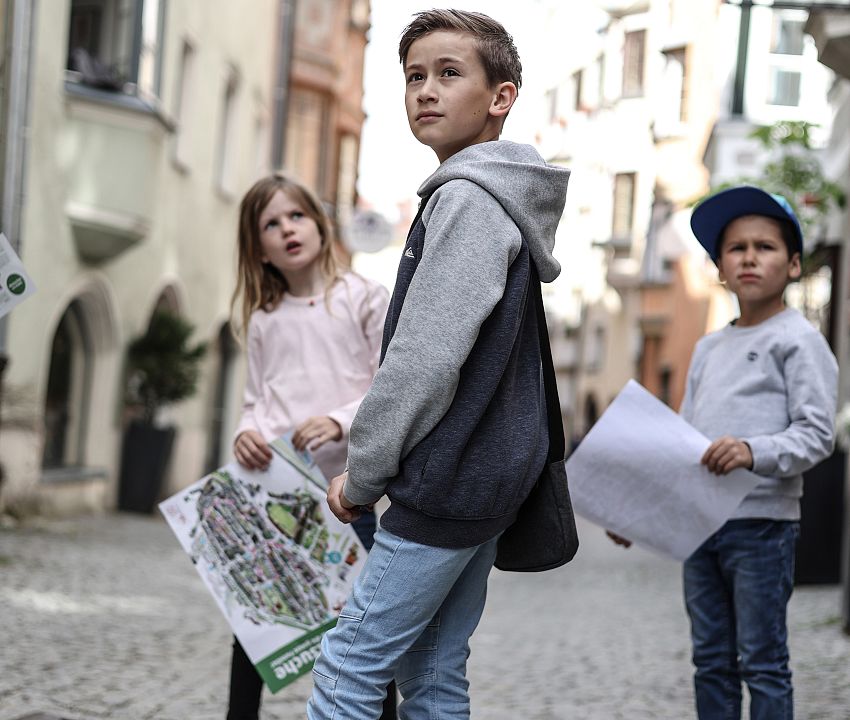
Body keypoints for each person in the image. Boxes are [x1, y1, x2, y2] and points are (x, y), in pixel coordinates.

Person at [307, 9, 570, 719]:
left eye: (449, 73)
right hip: (485, 479)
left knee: (348, 668)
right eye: (414, 76)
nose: (425, 90)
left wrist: (364, 475)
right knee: (432, 667)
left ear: (500, 96)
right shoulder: (498, 202)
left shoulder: (467, 201)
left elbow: (424, 360)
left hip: (451, 480)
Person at [226, 174, 396, 720]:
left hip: (347, 498)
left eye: (295, 216)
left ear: (320, 223)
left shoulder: (364, 298)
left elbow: (388, 385)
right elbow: (257, 399)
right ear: (259, 248)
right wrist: (244, 432)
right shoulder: (263, 319)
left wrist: (338, 420)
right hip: (276, 498)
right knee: (255, 628)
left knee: (360, 632)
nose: (286, 230)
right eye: (271, 225)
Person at [680, 185, 837, 719]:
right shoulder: (707, 348)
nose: (749, 256)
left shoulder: (799, 339)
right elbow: (682, 440)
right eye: (736, 247)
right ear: (720, 268)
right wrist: (642, 506)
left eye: (765, 247)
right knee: (710, 661)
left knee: (763, 660)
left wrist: (753, 450)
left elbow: (819, 434)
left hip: (763, 528)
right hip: (702, 526)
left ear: (794, 265)